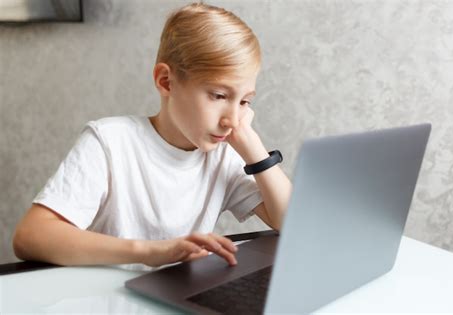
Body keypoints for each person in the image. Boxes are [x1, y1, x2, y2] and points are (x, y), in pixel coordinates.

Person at [12, 2, 292, 270]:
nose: (232, 119)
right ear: (166, 81)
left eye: (245, 102)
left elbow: (293, 223)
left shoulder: (222, 156)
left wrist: (253, 147)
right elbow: (31, 237)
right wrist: (150, 252)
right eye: (219, 95)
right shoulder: (109, 141)